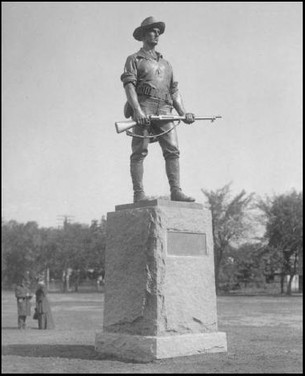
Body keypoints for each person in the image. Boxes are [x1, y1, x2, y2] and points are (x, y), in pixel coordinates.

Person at [121, 16, 196, 203]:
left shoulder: (166, 64)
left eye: (158, 32)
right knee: (140, 151)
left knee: (173, 150)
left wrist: (183, 112)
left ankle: (176, 191)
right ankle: (138, 194)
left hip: (165, 109)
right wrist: (137, 110)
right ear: (143, 35)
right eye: (152, 31)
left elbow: (174, 91)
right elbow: (129, 87)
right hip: (144, 107)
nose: (156, 35)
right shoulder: (134, 59)